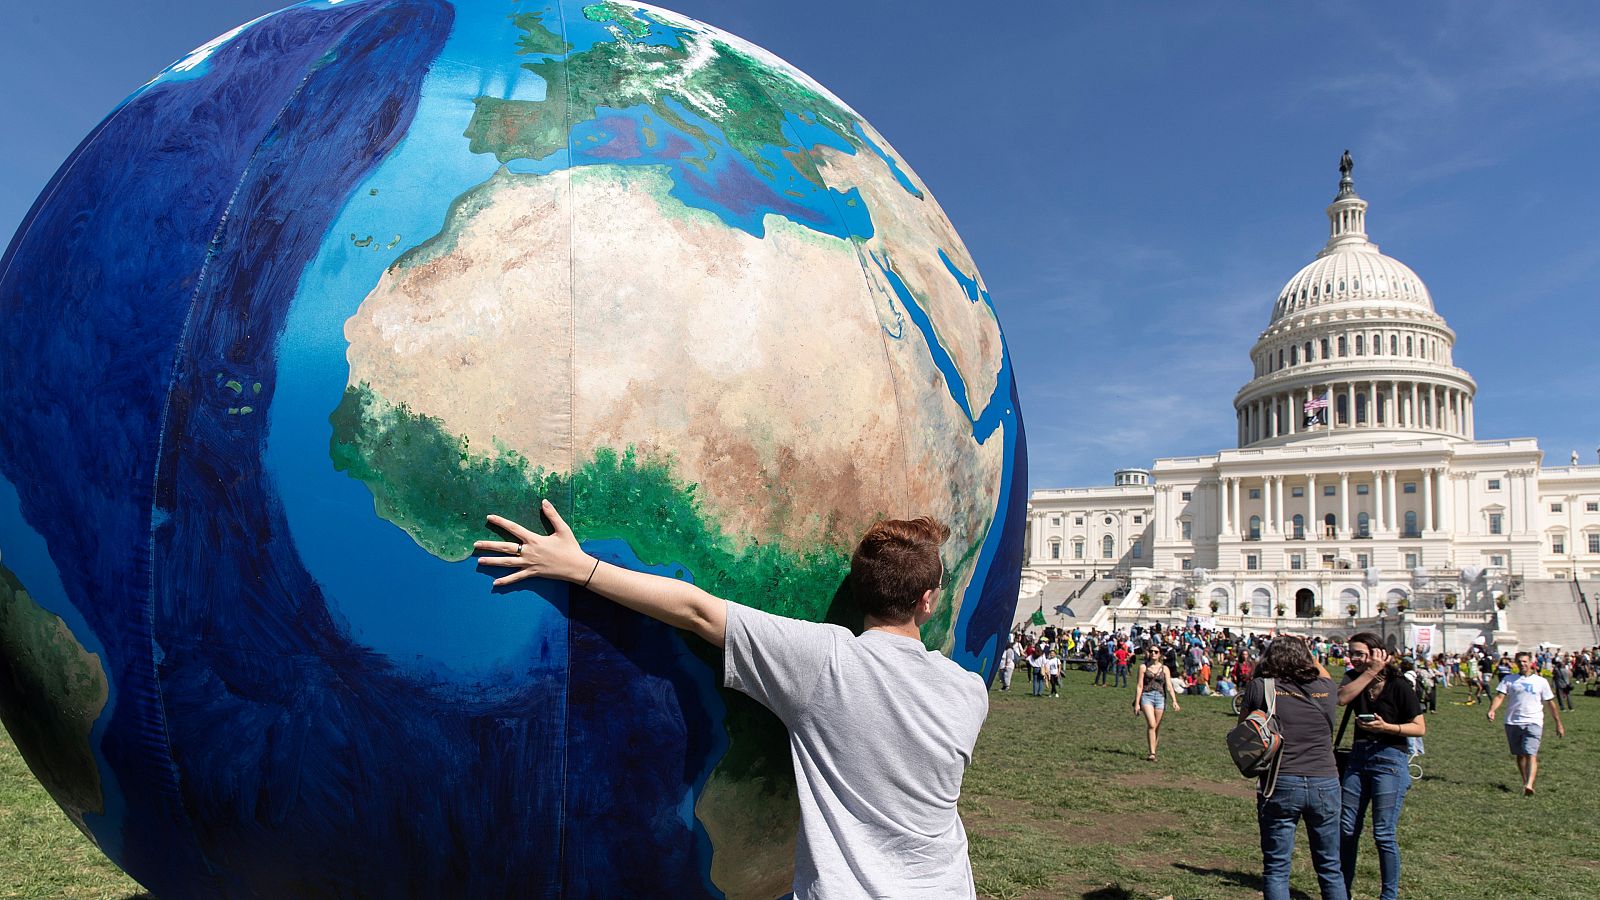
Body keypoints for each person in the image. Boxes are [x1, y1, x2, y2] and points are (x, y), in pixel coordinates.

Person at [475, 503, 988, 898]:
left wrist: (577, 567)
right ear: (928, 601)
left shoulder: (824, 664)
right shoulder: (971, 692)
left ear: (858, 592)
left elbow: (698, 612)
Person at [1239, 636, 1346, 900]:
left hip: (1280, 781)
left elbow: (1243, 729)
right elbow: (1325, 673)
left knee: (1276, 869)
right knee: (1331, 867)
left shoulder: (1260, 688)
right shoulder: (1326, 688)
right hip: (1325, 781)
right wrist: (1308, 654)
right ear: (1308, 658)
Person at [1336, 633, 1425, 900]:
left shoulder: (1399, 685)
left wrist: (1387, 727)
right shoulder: (1354, 678)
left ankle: (1388, 896)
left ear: (1377, 653)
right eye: (1352, 653)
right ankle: (1342, 893)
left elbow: (1419, 728)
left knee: (1383, 833)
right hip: (1358, 759)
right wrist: (1370, 671)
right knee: (1346, 828)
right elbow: (1341, 699)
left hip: (1389, 760)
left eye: (1360, 653)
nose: (1354, 658)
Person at [1485, 651, 1566, 796]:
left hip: (1534, 721)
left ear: (1531, 663)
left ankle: (1529, 785)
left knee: (1531, 753)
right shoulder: (1509, 679)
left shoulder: (1541, 682)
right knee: (1520, 755)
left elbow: (1551, 703)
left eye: (1525, 661)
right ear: (1516, 663)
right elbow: (1499, 696)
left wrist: (1558, 723)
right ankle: (1525, 781)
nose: (1522, 664)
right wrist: (1492, 710)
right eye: (1520, 662)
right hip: (1513, 721)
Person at [1132, 644, 1180, 761]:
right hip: (1146, 696)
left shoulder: (1165, 669)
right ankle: (1152, 753)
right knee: (1152, 724)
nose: (1153, 653)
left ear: (1160, 654)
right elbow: (1139, 686)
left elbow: (1169, 686)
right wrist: (1137, 703)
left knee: (1156, 727)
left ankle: (1153, 751)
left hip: (1160, 697)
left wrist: (1174, 701)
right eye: (1151, 651)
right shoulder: (1143, 667)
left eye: (1156, 652)